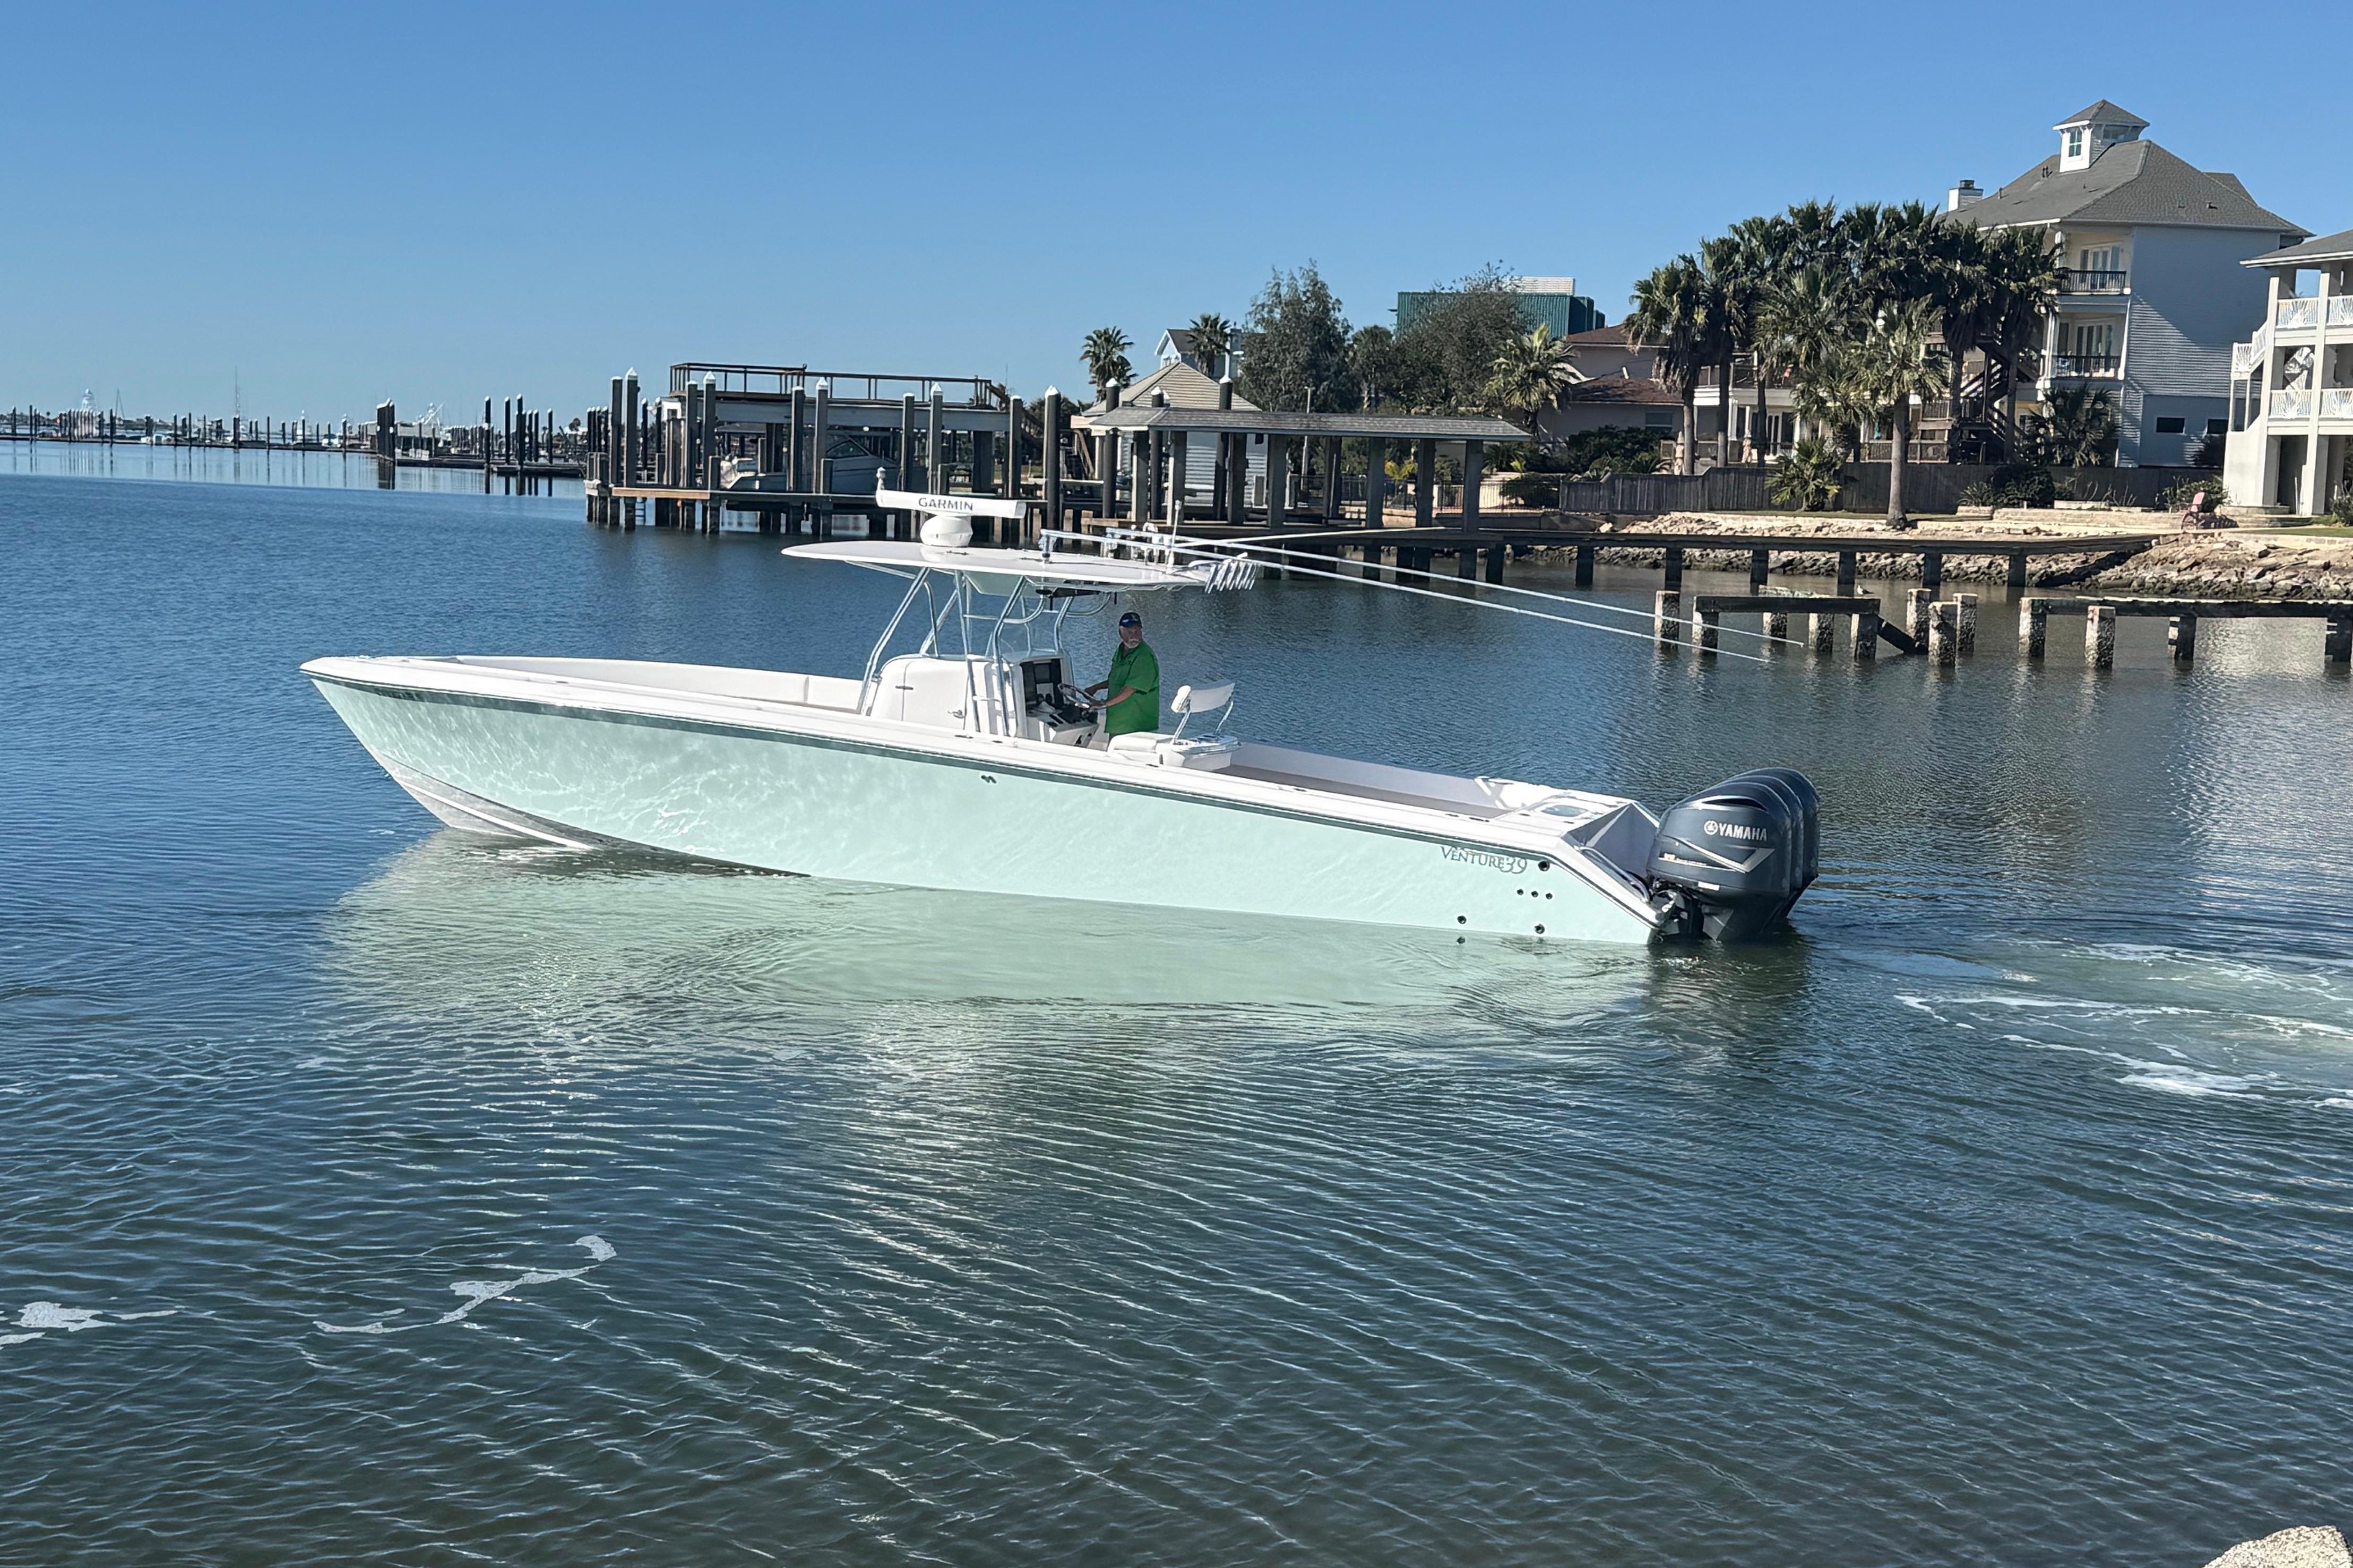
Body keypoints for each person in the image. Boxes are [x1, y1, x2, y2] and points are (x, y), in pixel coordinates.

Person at [1086, 610, 1159, 739]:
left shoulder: (1144, 656)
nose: (1134, 636)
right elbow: (1117, 680)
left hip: (1136, 725)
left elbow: (1130, 689)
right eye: (1129, 631)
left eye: (1137, 631)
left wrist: (1103, 704)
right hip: (1119, 722)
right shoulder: (1121, 651)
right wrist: (1095, 688)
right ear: (1120, 631)